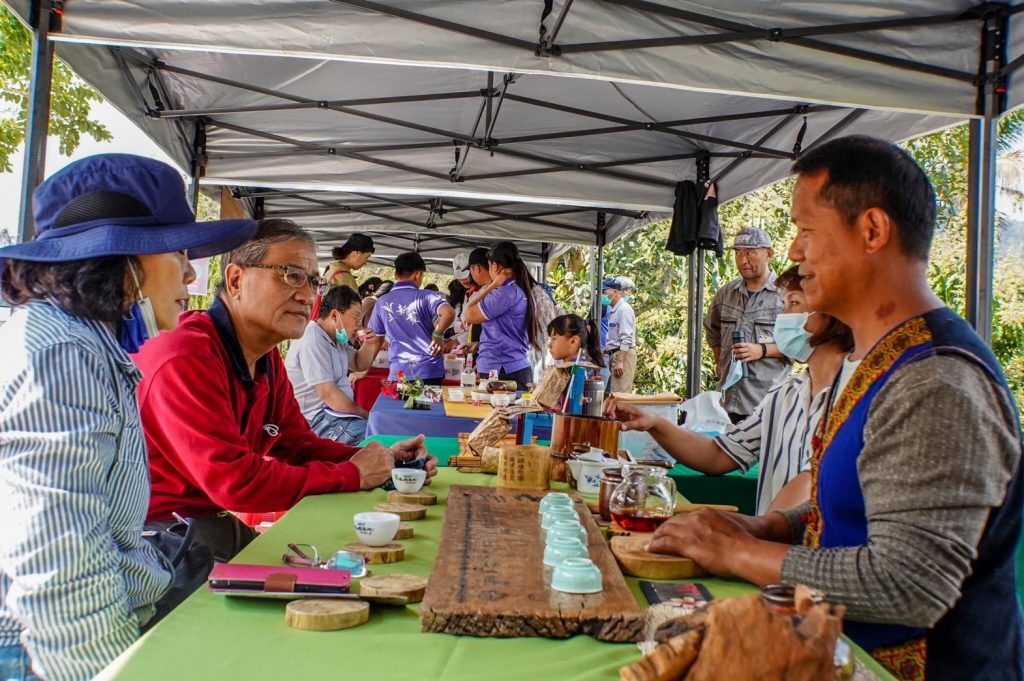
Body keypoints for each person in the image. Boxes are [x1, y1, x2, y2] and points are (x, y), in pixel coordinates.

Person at [648, 136, 1023, 680]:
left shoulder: (936, 378)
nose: (795, 252)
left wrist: (738, 553)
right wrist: (772, 526)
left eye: (805, 230)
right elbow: (854, 512)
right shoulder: (875, 361)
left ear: (871, 230)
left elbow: (909, 583)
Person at [0, 154, 258, 680]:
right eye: (180, 251)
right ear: (125, 257)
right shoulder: (62, 352)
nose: (190, 272)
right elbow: (62, 561)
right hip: (55, 653)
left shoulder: (90, 343)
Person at [133, 219, 437, 561]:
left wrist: (383, 459)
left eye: (313, 281)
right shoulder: (186, 355)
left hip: (208, 523)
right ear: (236, 280)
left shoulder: (265, 358)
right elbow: (236, 483)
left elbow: (296, 445)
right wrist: (353, 473)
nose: (308, 295)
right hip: (156, 539)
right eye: (290, 274)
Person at [605, 265, 853, 514]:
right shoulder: (783, 396)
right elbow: (716, 456)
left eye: (794, 304)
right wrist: (653, 422)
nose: (783, 317)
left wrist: (756, 532)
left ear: (834, 311)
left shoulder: (862, 400)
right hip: (770, 548)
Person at [704, 227, 790, 423]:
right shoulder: (726, 293)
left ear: (769, 254)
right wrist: (719, 361)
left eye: (750, 252)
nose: (743, 260)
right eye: (738, 253)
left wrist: (763, 350)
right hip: (726, 402)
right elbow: (712, 329)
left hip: (766, 404)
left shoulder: (787, 296)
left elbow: (804, 346)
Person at [285, 285, 378, 445]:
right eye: (356, 317)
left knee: (377, 433)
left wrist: (371, 344)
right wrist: (366, 414)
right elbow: (329, 395)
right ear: (335, 315)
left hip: (333, 414)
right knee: (374, 439)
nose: (358, 324)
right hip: (314, 419)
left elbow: (358, 363)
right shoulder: (313, 340)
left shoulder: (335, 338)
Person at [366, 251, 455, 384]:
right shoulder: (426, 296)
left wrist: (363, 369)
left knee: (398, 405)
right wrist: (437, 335)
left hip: (400, 371)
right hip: (429, 370)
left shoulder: (382, 301)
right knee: (429, 405)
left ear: (396, 275)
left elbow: (376, 340)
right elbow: (449, 313)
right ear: (418, 274)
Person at [461, 241, 535, 390]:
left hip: (502, 369)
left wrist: (493, 285)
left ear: (494, 266)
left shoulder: (504, 293)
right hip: (512, 365)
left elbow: (468, 314)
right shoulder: (517, 289)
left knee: (496, 413)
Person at [602, 275, 638, 393]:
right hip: (615, 353)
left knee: (620, 395)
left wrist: (620, 360)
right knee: (613, 394)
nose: (602, 294)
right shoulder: (614, 310)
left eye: (605, 291)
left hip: (623, 355)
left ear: (616, 292)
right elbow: (616, 335)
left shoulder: (624, 309)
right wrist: (606, 349)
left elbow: (626, 338)